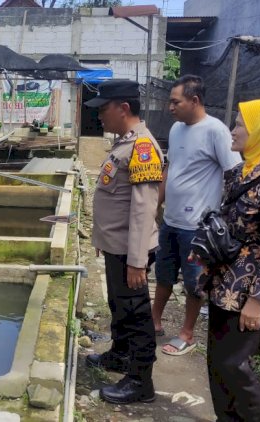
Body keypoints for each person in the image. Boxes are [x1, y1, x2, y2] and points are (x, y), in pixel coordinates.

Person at [199, 99, 260, 421]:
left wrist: (258, 299)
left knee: (234, 366)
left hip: (246, 290)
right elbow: (229, 226)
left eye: (239, 124)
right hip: (223, 281)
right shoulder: (240, 171)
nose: (233, 130)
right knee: (216, 363)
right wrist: (207, 247)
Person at [84, 79, 164, 404]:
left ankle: (140, 380)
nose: (100, 116)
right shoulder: (124, 143)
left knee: (136, 313)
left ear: (123, 108)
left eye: (104, 109)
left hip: (131, 252)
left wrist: (136, 260)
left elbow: (145, 209)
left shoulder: (142, 147)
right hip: (117, 247)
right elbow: (115, 199)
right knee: (119, 307)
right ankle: (119, 355)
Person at [151, 75, 242, 356]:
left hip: (197, 227)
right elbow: (170, 169)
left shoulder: (216, 131)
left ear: (195, 100)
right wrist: (156, 203)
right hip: (171, 220)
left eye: (175, 101)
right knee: (163, 274)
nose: (170, 107)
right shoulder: (177, 129)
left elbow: (234, 174)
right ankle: (153, 321)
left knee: (195, 282)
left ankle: (187, 334)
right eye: (170, 102)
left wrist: (222, 219)